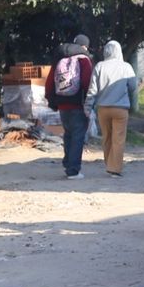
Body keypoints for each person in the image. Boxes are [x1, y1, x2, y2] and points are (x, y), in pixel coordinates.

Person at [45, 34, 93, 180]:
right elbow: (87, 83)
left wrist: (52, 101)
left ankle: (68, 164)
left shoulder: (60, 59)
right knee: (78, 135)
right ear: (85, 46)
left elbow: (49, 82)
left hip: (62, 104)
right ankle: (73, 170)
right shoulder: (84, 60)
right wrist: (89, 102)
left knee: (68, 134)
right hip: (78, 104)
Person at [87, 40, 138, 177]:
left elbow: (92, 90)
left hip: (102, 108)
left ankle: (108, 163)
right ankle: (114, 168)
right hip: (120, 109)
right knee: (118, 138)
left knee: (106, 137)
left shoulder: (99, 66)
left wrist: (88, 107)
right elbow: (133, 87)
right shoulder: (126, 67)